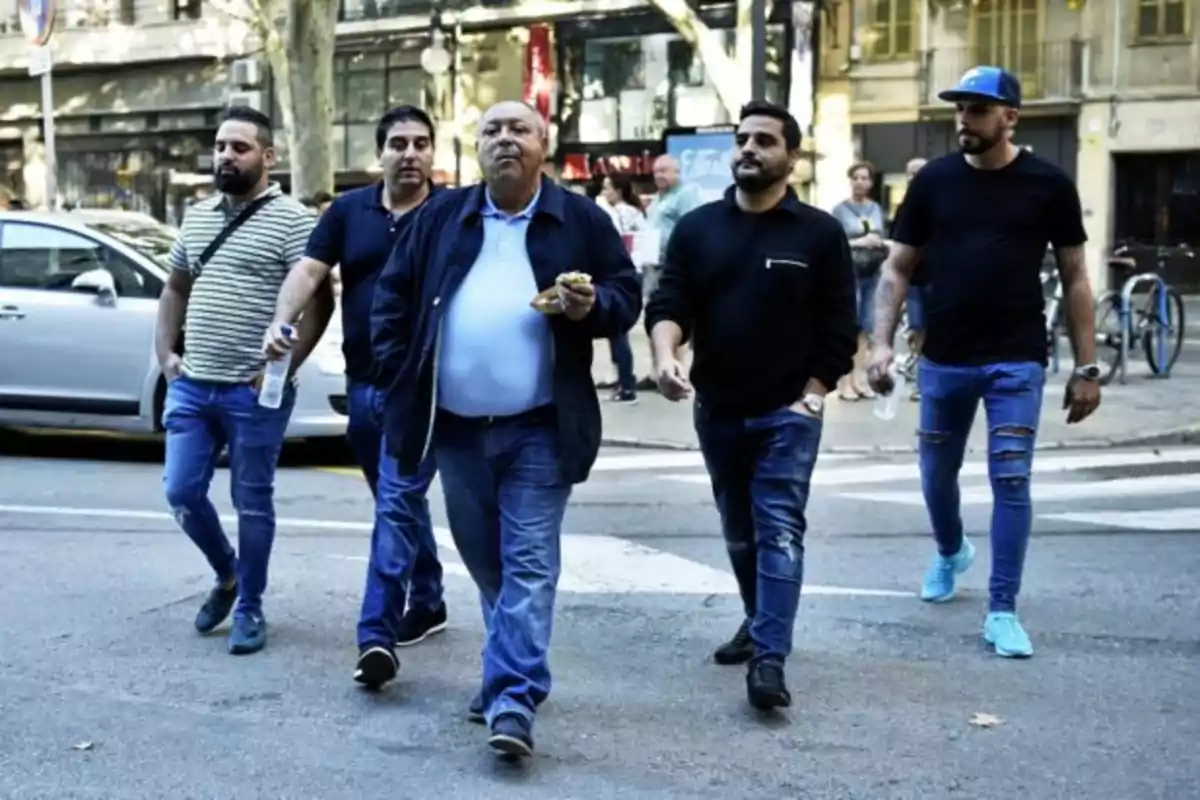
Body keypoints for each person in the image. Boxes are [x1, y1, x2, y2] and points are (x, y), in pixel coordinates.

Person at [370, 100, 641, 756]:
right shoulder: (441, 216)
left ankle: (513, 698)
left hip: (540, 429)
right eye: (491, 130)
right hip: (457, 430)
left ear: (543, 144)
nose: (505, 140)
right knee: (488, 563)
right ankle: (509, 671)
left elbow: (626, 293)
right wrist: (395, 369)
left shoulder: (578, 218)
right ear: (477, 147)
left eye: (519, 129)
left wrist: (592, 305)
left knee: (528, 562)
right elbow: (392, 296)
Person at [867, 66, 1101, 659]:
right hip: (945, 356)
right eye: (959, 110)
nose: (963, 120)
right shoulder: (934, 183)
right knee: (935, 476)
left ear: (1010, 117)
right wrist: (881, 342)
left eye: (976, 109)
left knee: (1012, 480)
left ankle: (1002, 609)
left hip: (1016, 360)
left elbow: (1076, 277)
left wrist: (1087, 366)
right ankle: (951, 551)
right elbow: (896, 268)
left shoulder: (1048, 185)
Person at [645, 99, 857, 710]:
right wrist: (664, 357)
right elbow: (669, 307)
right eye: (742, 138)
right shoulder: (698, 229)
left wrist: (812, 397)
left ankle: (769, 659)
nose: (748, 148)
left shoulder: (817, 233)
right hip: (717, 409)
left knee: (780, 530)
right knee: (740, 535)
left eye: (765, 140)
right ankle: (757, 618)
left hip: (787, 414)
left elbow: (840, 328)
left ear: (791, 157)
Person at [263, 105, 450, 662]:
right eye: (399, 143)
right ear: (382, 153)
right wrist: (282, 323)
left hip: (423, 385)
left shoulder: (451, 211)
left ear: (433, 153)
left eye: (421, 143)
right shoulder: (348, 212)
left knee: (396, 499)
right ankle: (431, 595)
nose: (410, 153)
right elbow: (308, 272)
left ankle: (377, 633)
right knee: (395, 500)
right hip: (363, 381)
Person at [156, 106, 335, 655]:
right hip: (192, 384)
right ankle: (227, 573)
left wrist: (285, 366)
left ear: (267, 156)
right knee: (181, 491)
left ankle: (251, 605)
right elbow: (175, 288)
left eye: (239, 147)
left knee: (252, 502)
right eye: (220, 147)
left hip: (252, 391)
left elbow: (320, 302)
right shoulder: (198, 216)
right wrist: (165, 353)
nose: (226, 156)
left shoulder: (293, 221)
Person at [831, 162, 888, 402]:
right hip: (849, 272)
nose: (860, 182)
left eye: (865, 178)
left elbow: (882, 235)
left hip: (872, 271)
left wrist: (877, 241)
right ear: (850, 180)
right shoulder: (840, 210)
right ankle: (845, 382)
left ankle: (860, 379)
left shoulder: (876, 208)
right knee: (849, 327)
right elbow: (835, 242)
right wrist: (859, 242)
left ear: (871, 183)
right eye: (856, 177)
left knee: (866, 327)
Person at [595, 173, 645, 403]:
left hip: (622, 275)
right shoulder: (633, 212)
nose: (604, 192)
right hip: (631, 272)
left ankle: (626, 383)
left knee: (617, 333)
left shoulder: (619, 212)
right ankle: (623, 379)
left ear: (619, 190)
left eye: (607, 188)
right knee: (617, 333)